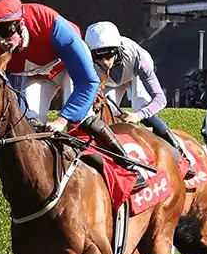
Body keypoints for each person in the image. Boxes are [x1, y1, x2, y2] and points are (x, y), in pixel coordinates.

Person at [0, 0, 146, 189]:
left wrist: (62, 119)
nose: (0, 41)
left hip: (67, 67)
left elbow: (88, 82)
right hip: (38, 75)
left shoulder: (54, 26)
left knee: (81, 120)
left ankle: (128, 166)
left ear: (20, 24)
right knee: (30, 125)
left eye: (5, 31)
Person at [84, 20, 195, 178]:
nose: (105, 62)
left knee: (140, 105)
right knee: (104, 111)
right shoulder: (87, 61)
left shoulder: (137, 58)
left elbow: (160, 99)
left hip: (133, 74)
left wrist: (138, 115)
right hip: (109, 82)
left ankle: (180, 154)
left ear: (118, 49)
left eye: (109, 55)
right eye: (98, 56)